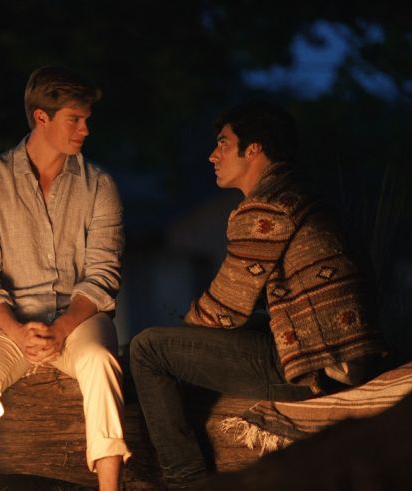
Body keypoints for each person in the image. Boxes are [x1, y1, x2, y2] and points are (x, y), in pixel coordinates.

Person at [129, 101, 387, 489]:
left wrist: (182, 342)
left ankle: (186, 481)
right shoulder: (300, 192)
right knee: (223, 333)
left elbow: (225, 308)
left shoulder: (267, 205)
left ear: (254, 150)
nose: (212, 155)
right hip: (343, 353)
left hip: (319, 369)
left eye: (222, 144)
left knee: (148, 348)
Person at [0, 66, 131, 490]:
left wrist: (62, 328)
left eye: (87, 119)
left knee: (100, 362)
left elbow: (103, 272)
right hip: (7, 325)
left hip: (78, 321)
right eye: (76, 119)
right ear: (41, 118)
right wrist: (17, 330)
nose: (86, 129)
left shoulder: (99, 185)